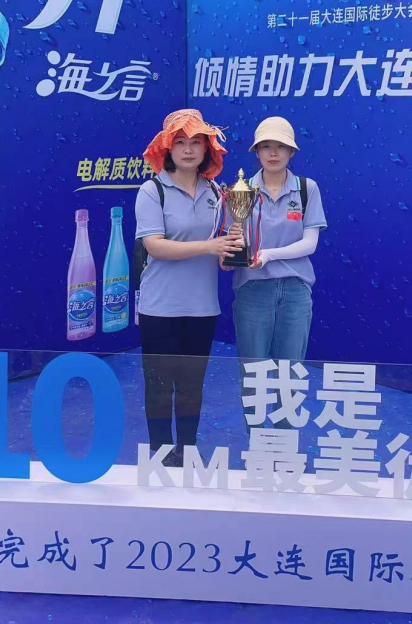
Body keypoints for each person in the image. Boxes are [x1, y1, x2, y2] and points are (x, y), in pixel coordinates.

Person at [135, 109, 244, 466]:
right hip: (159, 308)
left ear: (206, 150)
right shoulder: (152, 191)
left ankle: (187, 451)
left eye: (196, 142)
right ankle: (160, 453)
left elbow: (221, 244)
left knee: (191, 386)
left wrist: (229, 251)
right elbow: (155, 246)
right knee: (159, 385)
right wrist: (209, 247)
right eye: (180, 142)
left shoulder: (217, 192)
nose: (187, 149)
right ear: (167, 148)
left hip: (202, 307)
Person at [223, 116, 327, 428]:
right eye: (265, 146)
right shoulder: (240, 190)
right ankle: (256, 442)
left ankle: (284, 445)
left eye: (280, 146)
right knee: (253, 373)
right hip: (252, 290)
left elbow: (309, 244)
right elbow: (230, 241)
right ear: (256, 152)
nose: (273, 152)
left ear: (291, 152)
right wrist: (228, 255)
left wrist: (269, 255)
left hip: (295, 290)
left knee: (290, 373)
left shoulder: (306, 189)